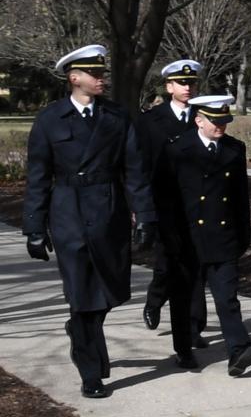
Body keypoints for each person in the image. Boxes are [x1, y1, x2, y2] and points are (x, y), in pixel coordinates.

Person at [22, 44, 157, 398]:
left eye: (102, 74)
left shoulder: (116, 116)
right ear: (74, 78)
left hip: (109, 210)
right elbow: (37, 177)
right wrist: (34, 228)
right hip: (68, 213)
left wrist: (144, 215)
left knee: (111, 291)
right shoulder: (50, 119)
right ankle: (91, 371)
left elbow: (134, 170)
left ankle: (78, 330)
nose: (102, 79)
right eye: (94, 75)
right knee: (81, 294)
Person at [159, 95, 251, 375]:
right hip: (187, 237)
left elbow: (239, 197)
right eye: (215, 121)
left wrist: (242, 235)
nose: (220, 127)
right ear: (198, 120)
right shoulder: (178, 150)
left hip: (223, 236)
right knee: (186, 297)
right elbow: (165, 199)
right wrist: (167, 236)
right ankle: (184, 348)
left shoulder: (234, 149)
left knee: (227, 297)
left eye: (224, 121)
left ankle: (238, 350)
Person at [135, 59, 208, 350]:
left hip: (197, 204)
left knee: (197, 266)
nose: (187, 87)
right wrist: (141, 207)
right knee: (167, 264)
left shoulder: (203, 117)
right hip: (164, 203)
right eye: (181, 83)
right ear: (169, 87)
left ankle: (192, 329)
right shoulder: (150, 120)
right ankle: (154, 300)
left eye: (191, 83)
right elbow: (140, 164)